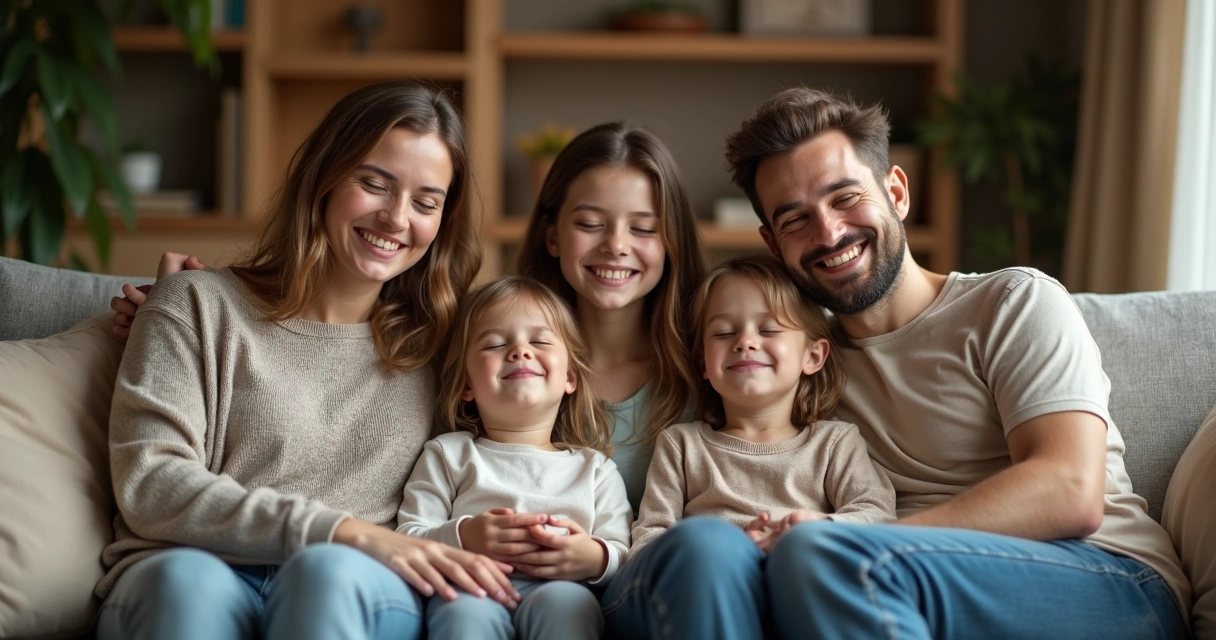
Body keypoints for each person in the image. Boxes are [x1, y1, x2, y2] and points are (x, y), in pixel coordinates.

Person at [716, 87, 1188, 638]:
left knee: (824, 555)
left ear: (896, 193)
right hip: (899, 585)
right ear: (773, 245)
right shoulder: (800, 362)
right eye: (796, 220)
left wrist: (863, 539)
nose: (829, 233)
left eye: (845, 198)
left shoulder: (1012, 303)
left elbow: (1069, 490)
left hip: (1111, 579)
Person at [97, 82, 521, 640]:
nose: (396, 218)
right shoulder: (197, 304)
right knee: (186, 583)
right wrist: (340, 529)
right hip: (193, 566)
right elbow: (152, 483)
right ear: (323, 177)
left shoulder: (447, 342)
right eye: (374, 184)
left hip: (358, 584)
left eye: (426, 202)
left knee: (325, 574)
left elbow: (554, 376)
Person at [608, 254, 895, 638]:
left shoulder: (834, 443)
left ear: (813, 356)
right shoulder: (681, 444)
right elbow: (650, 536)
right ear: (704, 364)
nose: (745, 342)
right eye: (724, 333)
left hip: (793, 592)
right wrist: (710, 557)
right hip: (701, 596)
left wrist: (814, 527)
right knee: (706, 544)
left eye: (769, 330)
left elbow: (878, 514)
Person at [397, 276, 632, 639]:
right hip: (471, 587)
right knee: (462, 616)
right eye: (495, 344)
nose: (520, 351)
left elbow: (623, 553)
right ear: (466, 385)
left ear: (570, 377)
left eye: (539, 341)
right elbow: (409, 537)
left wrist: (593, 557)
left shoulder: (595, 469)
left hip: (563, 591)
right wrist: (465, 536)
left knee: (568, 608)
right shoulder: (449, 454)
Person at [515, 122, 706, 514]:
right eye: (589, 224)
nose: (616, 245)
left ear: (672, 242)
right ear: (552, 236)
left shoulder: (711, 369)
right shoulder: (509, 362)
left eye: (643, 228)